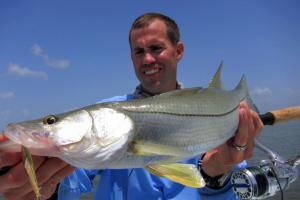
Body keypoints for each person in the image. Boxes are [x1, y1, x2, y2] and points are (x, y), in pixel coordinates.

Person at [0, 12, 263, 200]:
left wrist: (217, 173)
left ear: (178, 51)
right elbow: (70, 182)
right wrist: (38, 189)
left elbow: (232, 189)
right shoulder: (107, 111)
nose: (147, 58)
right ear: (131, 57)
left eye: (156, 48)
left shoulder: (223, 112)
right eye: (139, 51)